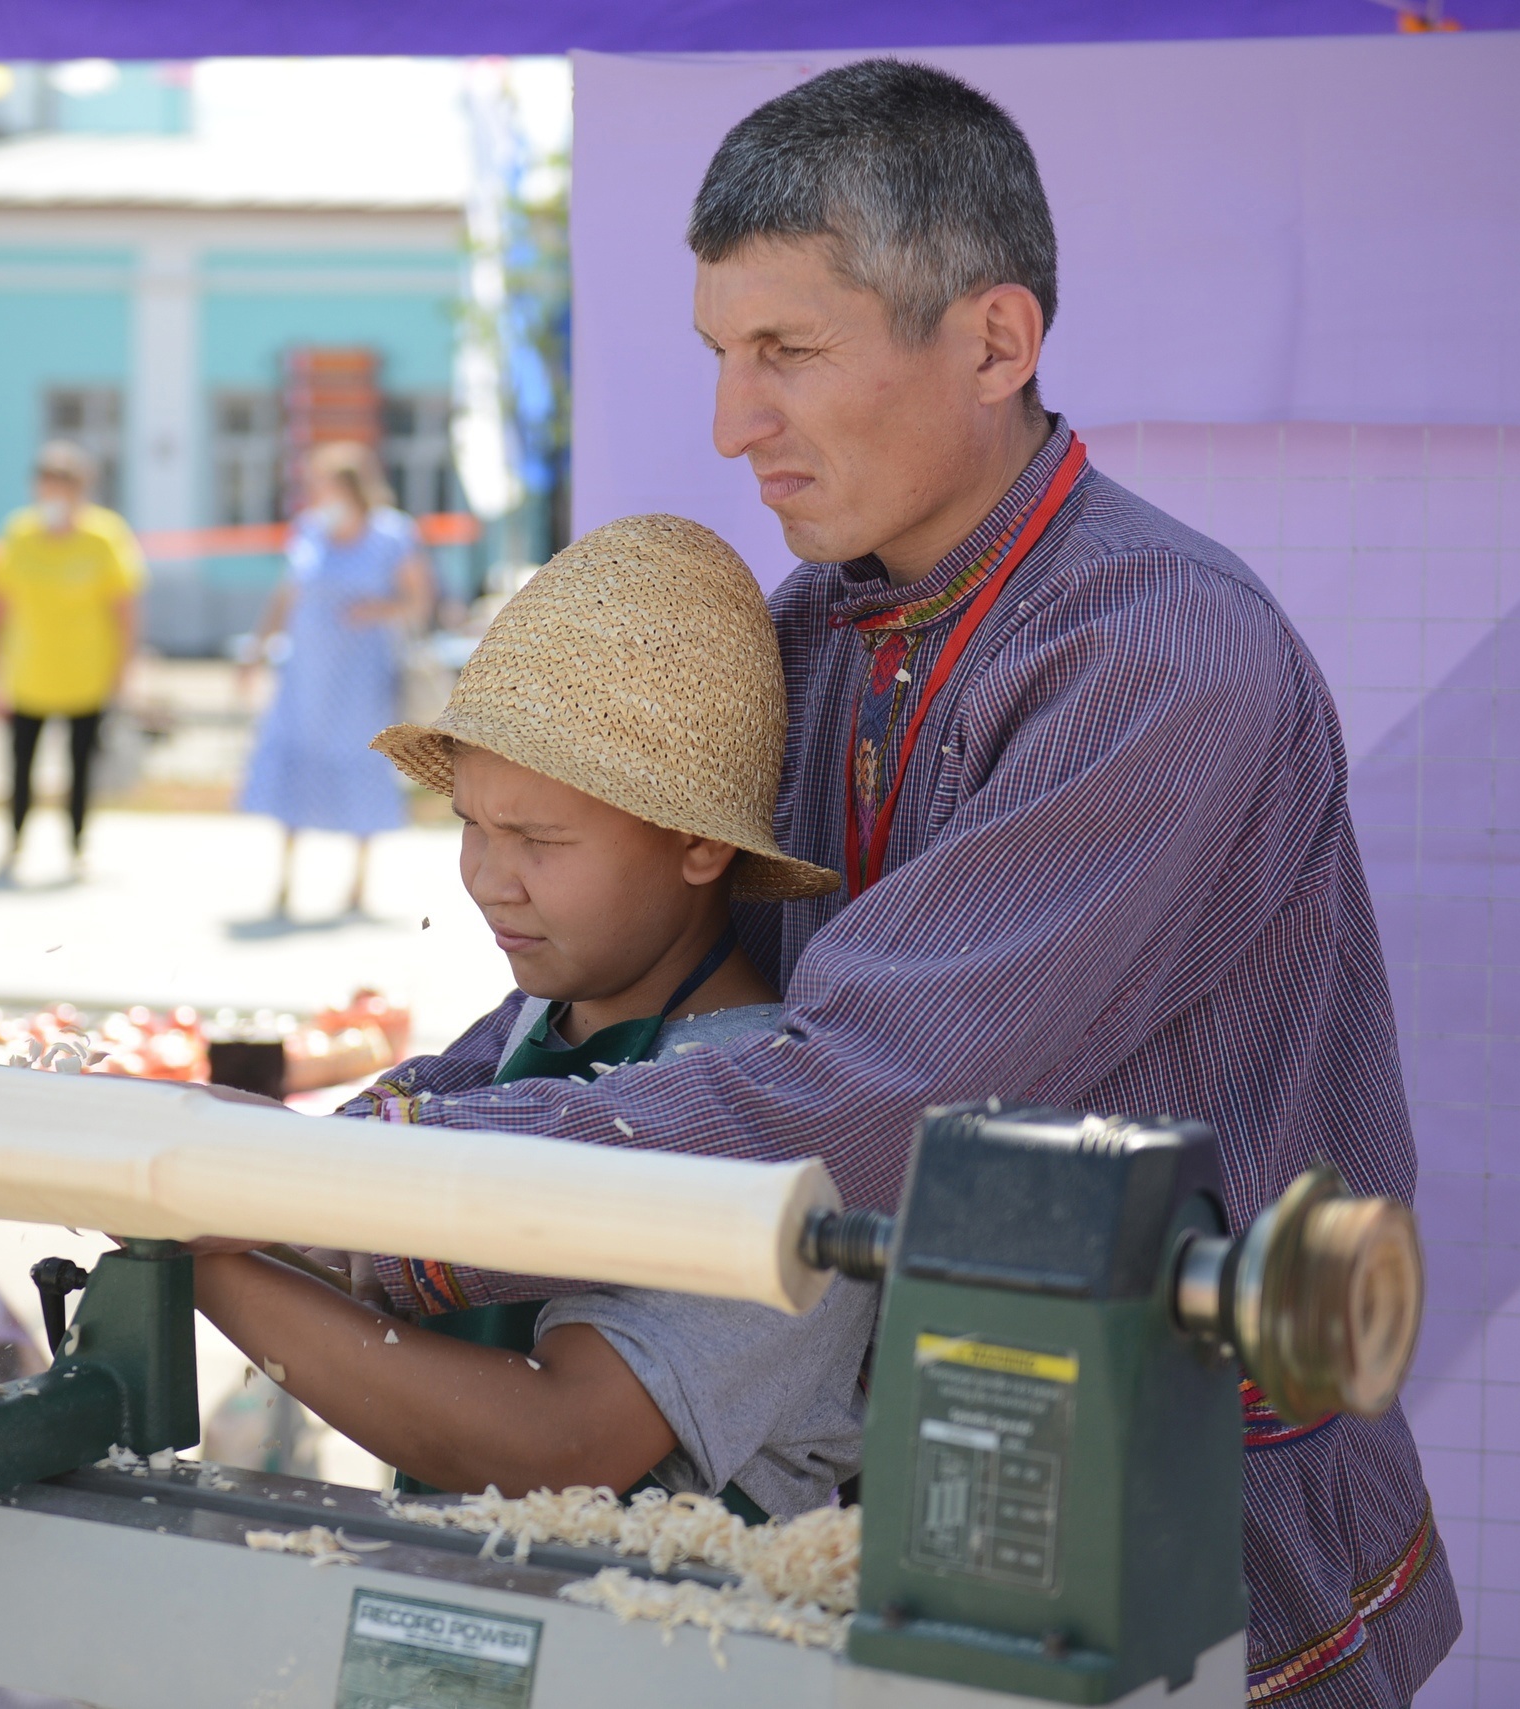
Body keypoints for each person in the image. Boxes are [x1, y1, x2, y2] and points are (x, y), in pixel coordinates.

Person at [333, 60, 1455, 1704]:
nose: (733, 422)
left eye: (787, 352)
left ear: (995, 340)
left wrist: (375, 1191)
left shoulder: (1166, 653)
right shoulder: (802, 630)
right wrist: (391, 1115)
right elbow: (624, 973)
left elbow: (870, 1095)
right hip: (896, 1514)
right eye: (721, 353)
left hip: (1204, 1540)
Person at [196, 515, 871, 1516]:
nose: (487, 880)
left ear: (697, 844)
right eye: (470, 823)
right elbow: (351, 1256)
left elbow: (561, 1438)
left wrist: (193, 1239)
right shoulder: (526, 1030)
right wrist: (205, 1174)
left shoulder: (767, 1124)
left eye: (538, 840)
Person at [236, 441, 436, 917]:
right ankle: (285, 882)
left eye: (324, 484)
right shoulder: (309, 530)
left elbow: (418, 599)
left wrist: (378, 610)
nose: (316, 493)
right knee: (296, 760)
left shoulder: (392, 535)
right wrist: (258, 647)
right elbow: (287, 594)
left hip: (361, 674)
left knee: (359, 761)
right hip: (306, 673)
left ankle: (357, 884)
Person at [0, 442, 145, 883]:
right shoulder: (19, 533)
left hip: (86, 675)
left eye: (61, 484)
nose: (52, 494)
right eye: (45, 484)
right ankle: (14, 841)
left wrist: (123, 673)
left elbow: (124, 611)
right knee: (20, 765)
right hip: (28, 673)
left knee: (81, 766)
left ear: (80, 489)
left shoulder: (105, 535)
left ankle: (76, 846)